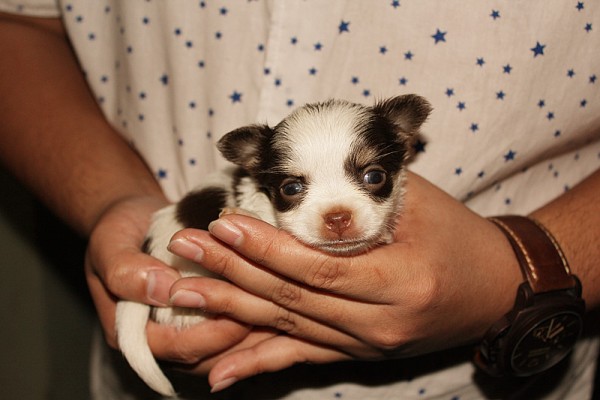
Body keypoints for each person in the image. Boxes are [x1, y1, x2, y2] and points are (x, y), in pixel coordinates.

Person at [0, 1, 598, 399]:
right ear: (259, 178)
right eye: (293, 188)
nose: (336, 214)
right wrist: (112, 201)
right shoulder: (235, 204)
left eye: (370, 178)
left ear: (403, 147)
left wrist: (523, 266)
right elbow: (17, 23)